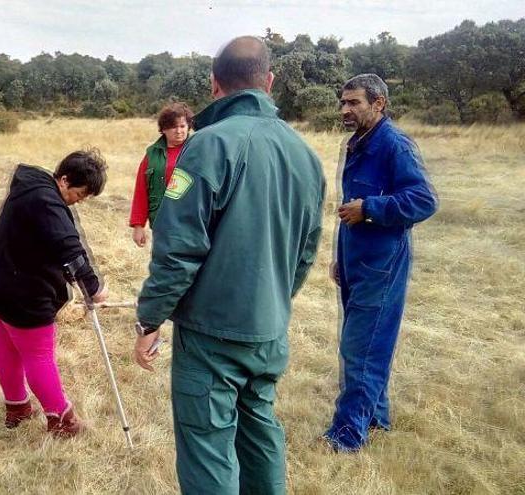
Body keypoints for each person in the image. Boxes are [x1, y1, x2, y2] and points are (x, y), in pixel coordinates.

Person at [132, 36, 326, 494]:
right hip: (268, 329)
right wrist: (274, 299)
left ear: (215, 84)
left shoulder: (206, 147)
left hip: (211, 335)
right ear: (270, 82)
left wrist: (149, 318)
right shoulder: (307, 157)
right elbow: (306, 251)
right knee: (260, 432)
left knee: (208, 448)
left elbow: (177, 250)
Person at [323, 74, 437, 452]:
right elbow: (348, 210)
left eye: (354, 103)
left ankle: (345, 437)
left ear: (379, 104)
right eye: (343, 102)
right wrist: (340, 258)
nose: (345, 110)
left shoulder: (394, 145)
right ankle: (376, 419)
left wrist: (371, 208)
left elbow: (424, 200)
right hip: (356, 261)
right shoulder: (358, 143)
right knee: (365, 346)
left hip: (382, 265)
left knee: (362, 349)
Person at [0, 150, 108, 438]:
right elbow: (71, 249)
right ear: (63, 179)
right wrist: (94, 288)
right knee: (39, 354)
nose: (79, 201)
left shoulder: (33, 186)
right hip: (20, 291)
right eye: (80, 193)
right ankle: (62, 419)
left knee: (8, 347)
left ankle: (18, 407)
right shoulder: (47, 201)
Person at [129, 102, 194, 247]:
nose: (178, 131)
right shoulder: (152, 154)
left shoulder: (198, 150)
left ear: (189, 126)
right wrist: (138, 226)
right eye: (173, 127)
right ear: (163, 129)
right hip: (162, 225)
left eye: (182, 126)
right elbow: (141, 190)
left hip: (192, 226)